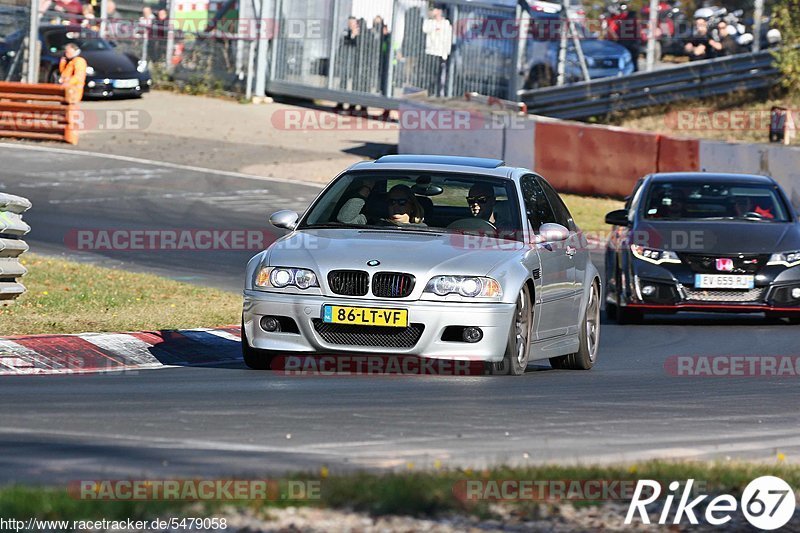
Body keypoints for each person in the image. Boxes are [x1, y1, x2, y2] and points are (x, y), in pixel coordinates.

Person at [337, 182, 426, 226]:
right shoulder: (373, 222)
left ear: (412, 207)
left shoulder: (424, 230)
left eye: (401, 202)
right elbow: (345, 219)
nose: (395, 206)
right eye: (392, 202)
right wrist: (367, 187)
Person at [422, 7, 452, 97]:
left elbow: (448, 38)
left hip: (440, 53)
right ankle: (429, 93)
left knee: (439, 75)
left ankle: (439, 94)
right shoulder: (430, 22)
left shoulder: (446, 23)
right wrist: (435, 26)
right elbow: (425, 29)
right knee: (430, 74)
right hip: (430, 52)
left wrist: (446, 52)